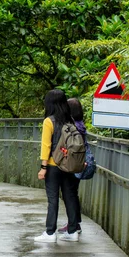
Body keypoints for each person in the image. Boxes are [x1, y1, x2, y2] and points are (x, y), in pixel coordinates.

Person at [34, 89, 81, 243]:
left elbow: (46, 146)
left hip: (54, 166)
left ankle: (50, 232)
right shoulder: (70, 121)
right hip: (68, 166)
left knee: (53, 199)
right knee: (69, 197)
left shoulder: (49, 121)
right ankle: (73, 231)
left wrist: (43, 167)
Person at [57, 97, 87, 234]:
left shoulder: (73, 127)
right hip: (80, 162)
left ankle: (73, 225)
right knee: (73, 193)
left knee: (69, 193)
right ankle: (75, 223)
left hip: (73, 162)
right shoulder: (81, 125)